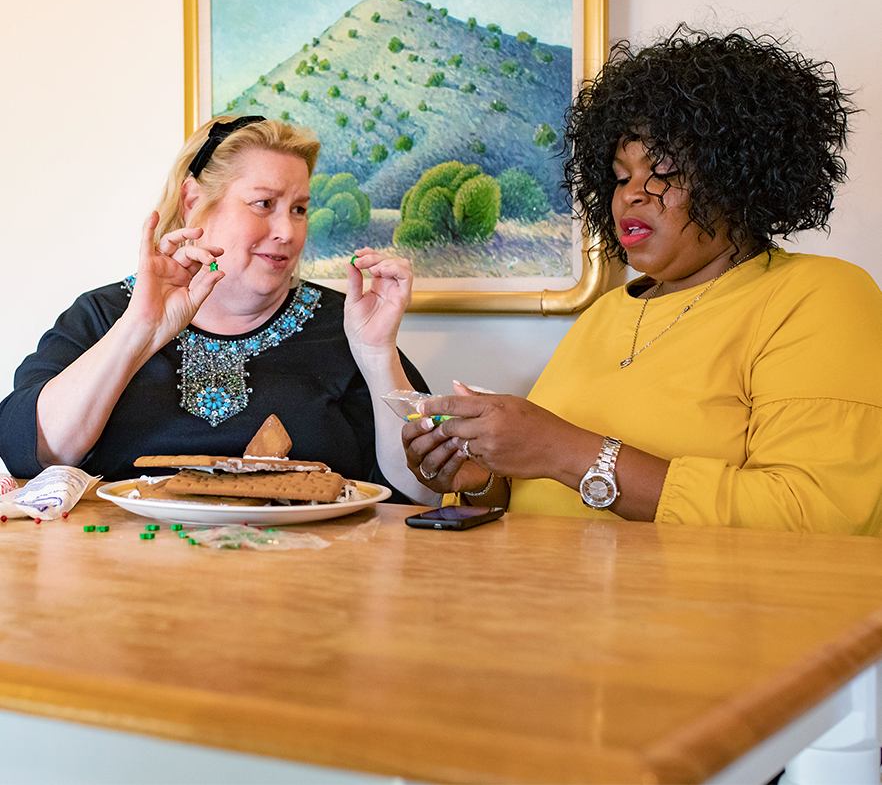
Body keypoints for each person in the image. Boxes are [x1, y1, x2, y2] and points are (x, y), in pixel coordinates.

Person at [401, 27, 882, 534]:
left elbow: (818, 517)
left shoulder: (821, 296)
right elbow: (538, 491)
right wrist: (478, 475)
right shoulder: (607, 313)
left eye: (663, 170)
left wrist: (564, 449)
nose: (629, 195)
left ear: (737, 176)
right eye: (620, 175)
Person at [0, 115, 437, 504]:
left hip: (306, 578)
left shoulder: (349, 325)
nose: (287, 231)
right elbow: (32, 450)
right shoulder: (104, 314)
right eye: (264, 204)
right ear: (193, 202)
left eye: (299, 209)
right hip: (124, 574)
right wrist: (139, 328)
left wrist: (378, 353)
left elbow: (419, 492)